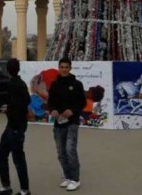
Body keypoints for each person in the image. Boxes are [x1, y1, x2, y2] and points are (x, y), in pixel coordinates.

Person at [0, 58, 31, 195]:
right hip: (14, 126)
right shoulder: (21, 84)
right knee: (1, 154)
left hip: (15, 127)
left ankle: (24, 190)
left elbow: (19, 104)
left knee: (18, 158)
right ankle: (6, 187)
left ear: (7, 70)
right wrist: (10, 107)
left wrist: (9, 109)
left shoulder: (12, 85)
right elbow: (26, 101)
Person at [48, 58, 86, 192]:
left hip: (72, 123)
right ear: (59, 68)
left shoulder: (77, 84)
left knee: (70, 150)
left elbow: (82, 103)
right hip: (58, 123)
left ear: (70, 68)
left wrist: (72, 111)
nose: (64, 69)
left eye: (66, 67)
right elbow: (50, 101)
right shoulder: (54, 84)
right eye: (62, 67)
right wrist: (52, 110)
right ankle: (68, 176)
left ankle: (75, 179)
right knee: (61, 152)